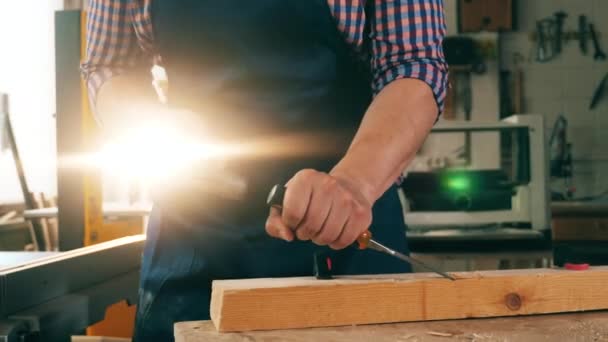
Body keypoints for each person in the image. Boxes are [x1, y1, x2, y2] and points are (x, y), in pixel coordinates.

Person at [82, 0, 448, 340]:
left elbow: (413, 63)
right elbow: (109, 64)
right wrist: (150, 124)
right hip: (190, 239)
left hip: (344, 227)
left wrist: (353, 183)